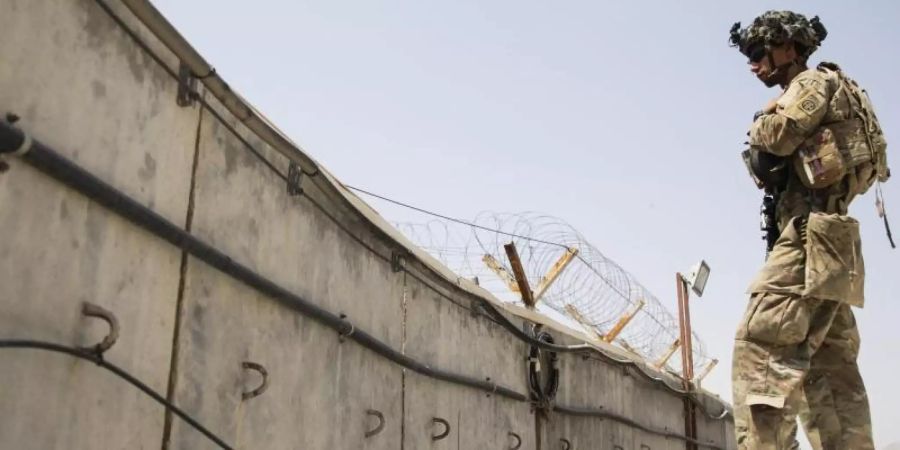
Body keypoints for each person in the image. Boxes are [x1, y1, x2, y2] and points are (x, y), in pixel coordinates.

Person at [728, 10, 891, 450]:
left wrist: (760, 121)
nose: (753, 64)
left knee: (761, 350)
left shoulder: (809, 84)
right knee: (830, 371)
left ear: (789, 48)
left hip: (808, 237)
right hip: (835, 247)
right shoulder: (840, 88)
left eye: (760, 53)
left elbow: (779, 135)